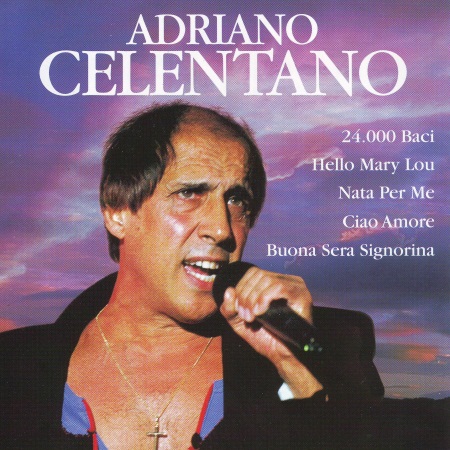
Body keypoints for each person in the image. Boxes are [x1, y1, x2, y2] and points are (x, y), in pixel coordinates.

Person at [0, 102, 447, 449]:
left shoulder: (326, 343)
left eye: (237, 201)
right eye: (190, 193)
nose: (222, 228)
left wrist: (296, 369)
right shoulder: (15, 367)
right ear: (118, 212)